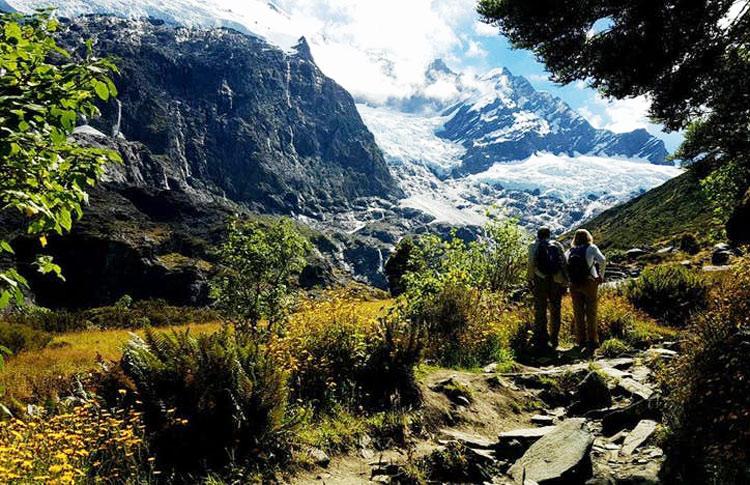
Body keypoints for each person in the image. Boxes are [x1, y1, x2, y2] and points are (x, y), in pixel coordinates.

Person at [566, 229, 607, 352]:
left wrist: (568, 279)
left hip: (574, 284)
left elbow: (563, 264)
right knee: (591, 312)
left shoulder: (570, 251)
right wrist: (601, 275)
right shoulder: (591, 247)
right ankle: (593, 340)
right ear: (588, 237)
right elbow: (603, 260)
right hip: (589, 282)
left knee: (578, 312)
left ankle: (580, 340)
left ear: (575, 239)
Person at [527, 227, 568, 351]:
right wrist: (565, 281)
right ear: (549, 235)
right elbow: (564, 263)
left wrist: (529, 279)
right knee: (556, 309)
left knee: (540, 308)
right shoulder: (556, 244)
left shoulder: (533, 246)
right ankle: (554, 339)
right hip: (556, 280)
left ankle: (541, 339)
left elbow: (531, 263)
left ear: (538, 235)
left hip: (540, 279)